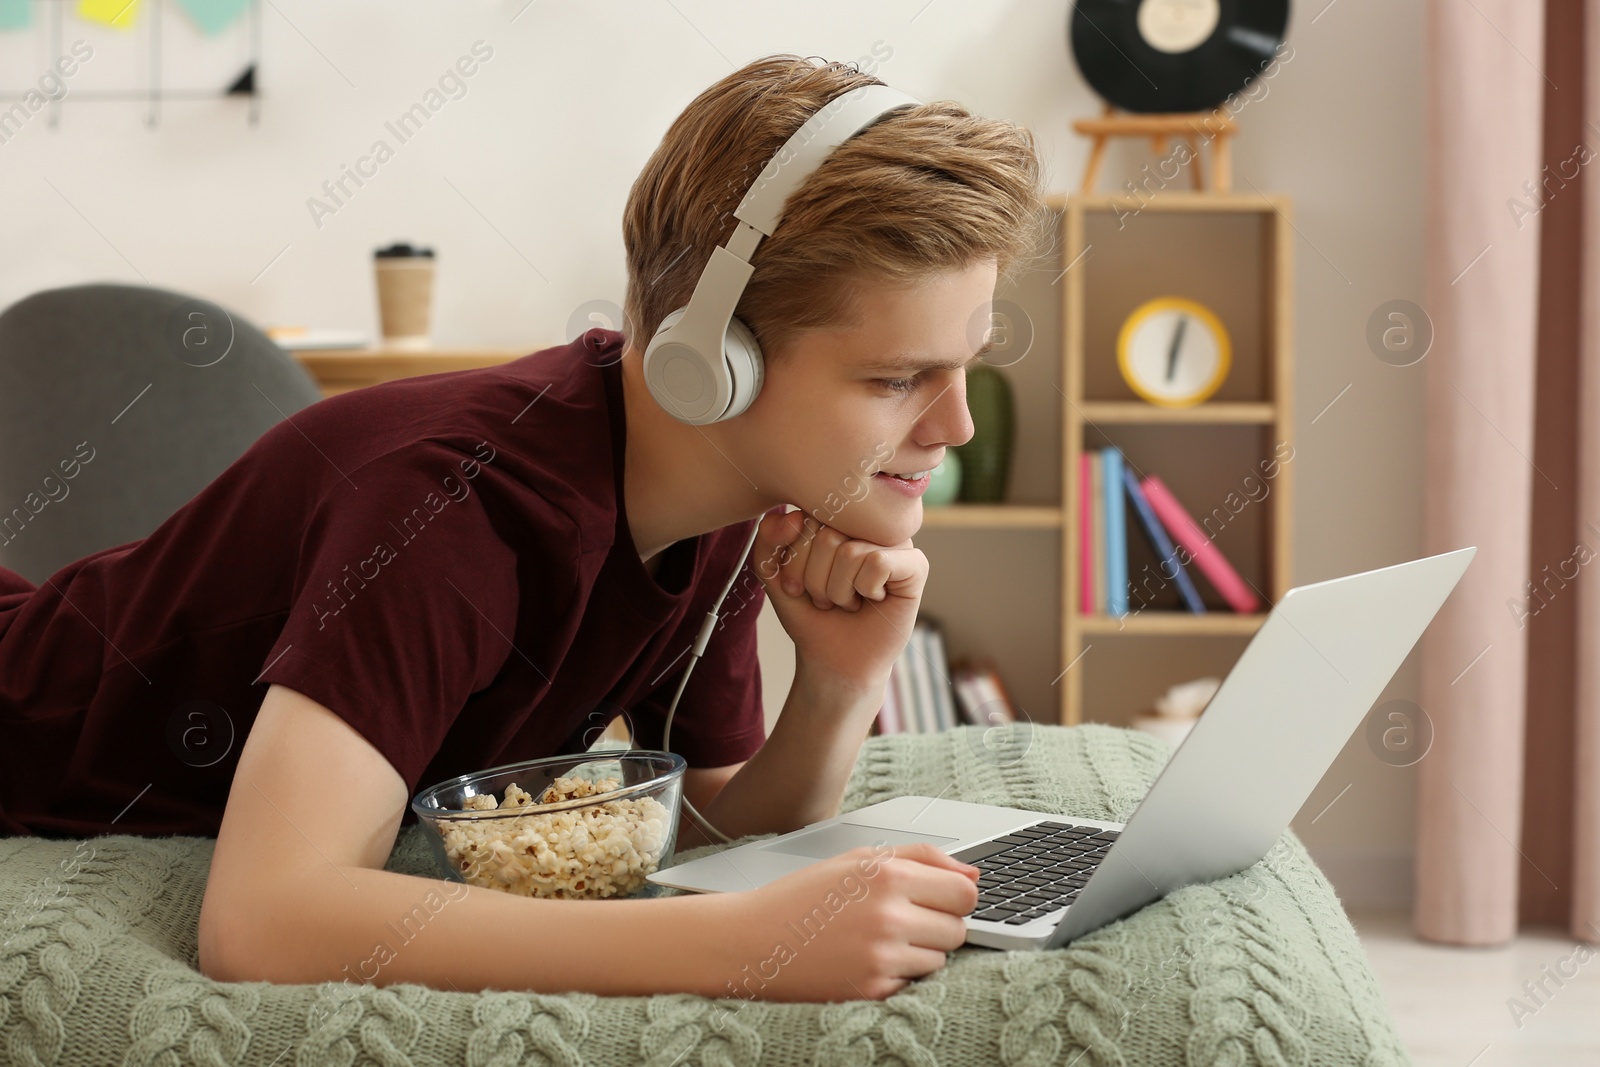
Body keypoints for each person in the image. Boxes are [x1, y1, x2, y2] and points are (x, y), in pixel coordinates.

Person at [0, 53, 1049, 1002]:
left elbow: (723, 821)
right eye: (896, 377)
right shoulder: (452, 517)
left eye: (962, 368)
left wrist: (839, 683)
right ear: (711, 359)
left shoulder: (722, 501)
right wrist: (733, 947)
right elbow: (264, 918)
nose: (953, 425)